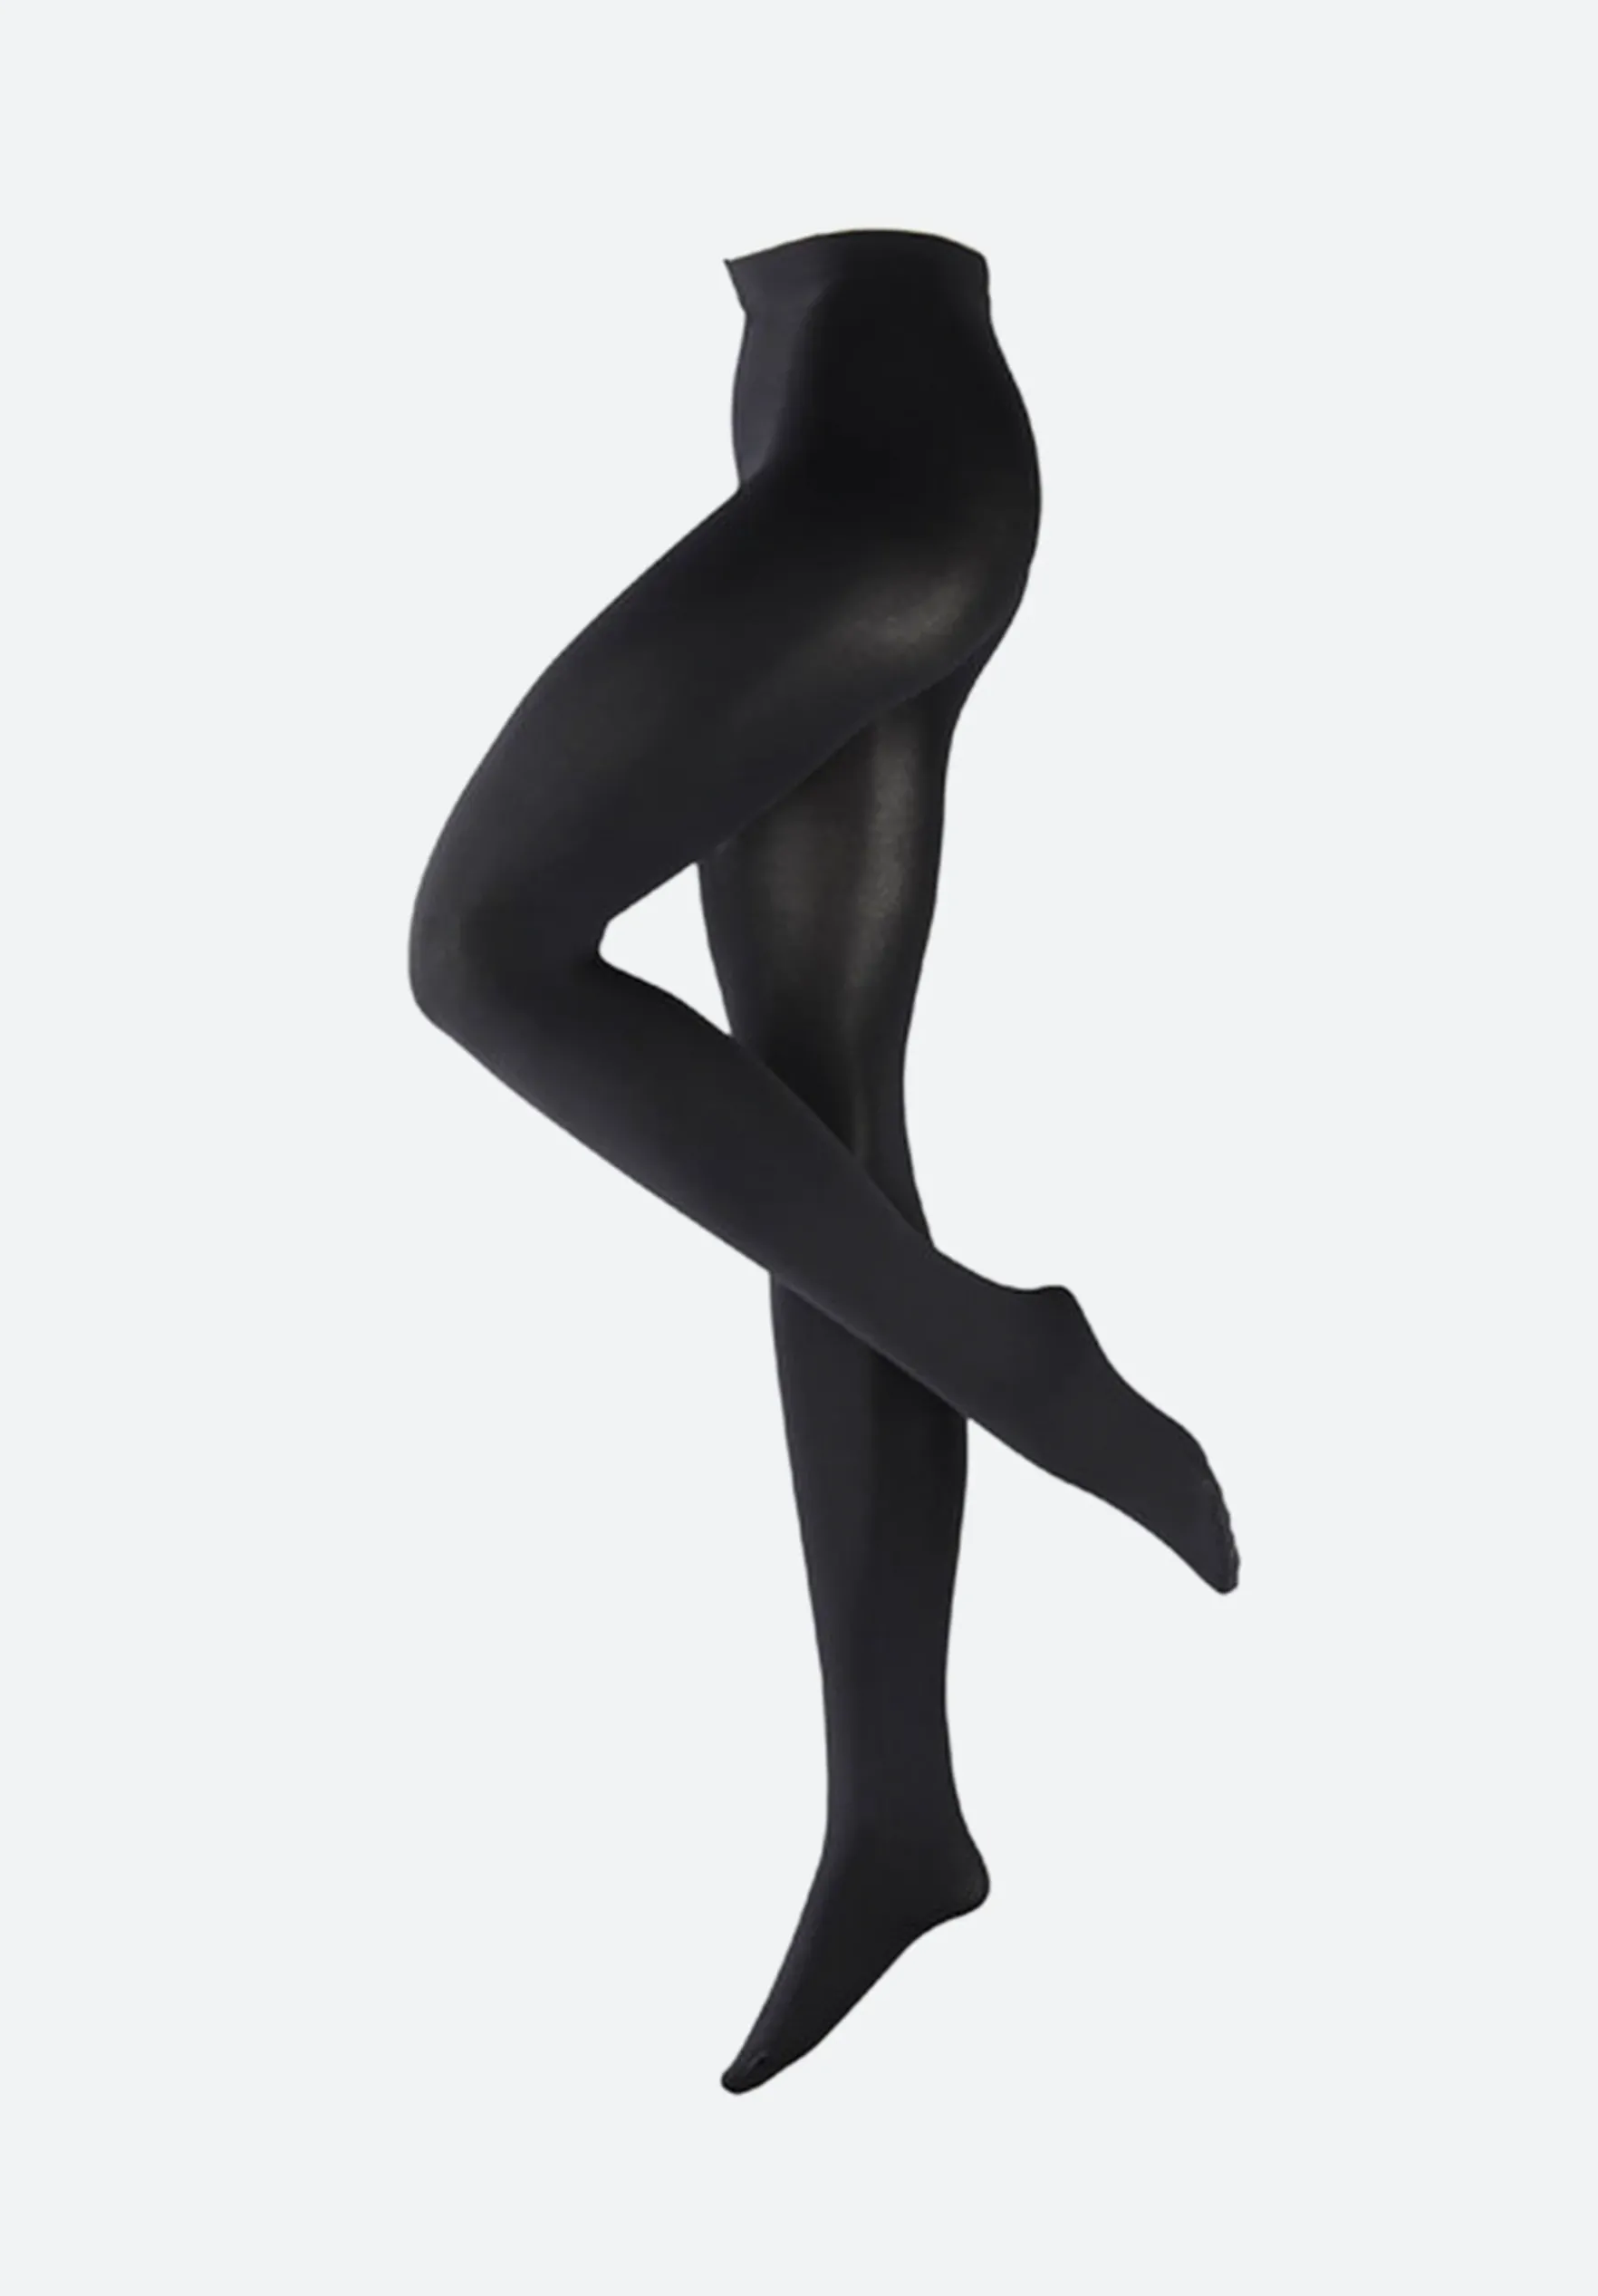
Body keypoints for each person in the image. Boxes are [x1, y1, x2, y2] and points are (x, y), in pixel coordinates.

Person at [408, 227, 1238, 2094]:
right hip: (846, 456)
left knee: (481, 947)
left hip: (884, 483)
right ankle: (896, 1817)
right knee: (818, 1134)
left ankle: (1015, 1359)